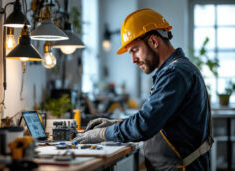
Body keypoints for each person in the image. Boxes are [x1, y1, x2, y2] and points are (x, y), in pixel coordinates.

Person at [73, 8, 213, 170]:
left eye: (135, 50)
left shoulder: (175, 74)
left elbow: (144, 125)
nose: (133, 60)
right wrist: (115, 124)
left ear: (154, 42)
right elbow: (153, 118)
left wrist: (101, 134)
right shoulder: (175, 70)